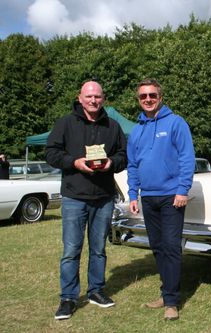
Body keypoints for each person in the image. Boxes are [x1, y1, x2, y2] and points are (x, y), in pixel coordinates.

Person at [46, 81, 127, 320]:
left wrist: (112, 163)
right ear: (80, 98)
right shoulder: (66, 123)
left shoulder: (113, 126)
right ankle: (68, 298)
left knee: (99, 249)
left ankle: (96, 291)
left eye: (98, 97)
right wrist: (74, 162)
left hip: (103, 198)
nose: (94, 101)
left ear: (103, 99)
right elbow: (51, 152)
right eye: (89, 96)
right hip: (74, 197)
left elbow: (124, 155)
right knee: (71, 250)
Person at [127, 78, 195, 321]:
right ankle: (166, 293)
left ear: (160, 97)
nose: (148, 99)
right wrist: (133, 194)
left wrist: (182, 189)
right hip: (148, 198)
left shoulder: (176, 123)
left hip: (171, 197)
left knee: (170, 246)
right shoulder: (136, 130)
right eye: (143, 96)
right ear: (138, 99)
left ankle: (172, 302)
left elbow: (187, 157)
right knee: (157, 247)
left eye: (152, 95)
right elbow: (132, 165)